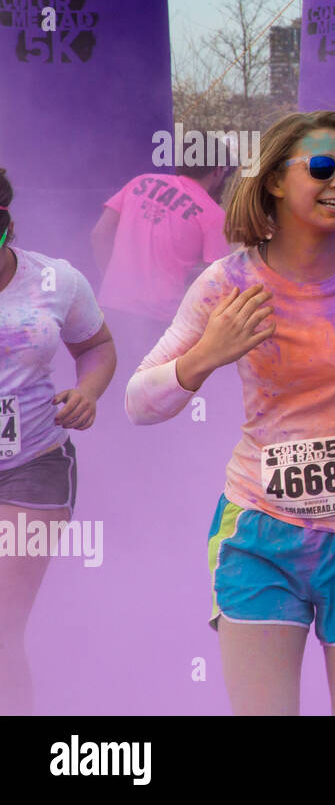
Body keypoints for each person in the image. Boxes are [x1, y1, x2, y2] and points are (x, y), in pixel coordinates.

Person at [124, 111, 335, 716]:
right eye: (321, 167)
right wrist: (205, 356)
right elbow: (137, 404)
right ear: (276, 181)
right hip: (259, 534)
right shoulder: (226, 283)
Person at [0, 167, 117, 713]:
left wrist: (88, 391)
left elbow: (96, 346)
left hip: (32, 465)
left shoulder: (56, 281)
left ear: (5, 225)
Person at [91, 157, 230, 339]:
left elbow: (99, 234)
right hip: (159, 321)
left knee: (110, 366)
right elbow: (216, 283)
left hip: (111, 308)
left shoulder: (140, 182)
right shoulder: (214, 215)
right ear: (218, 170)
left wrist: (110, 278)